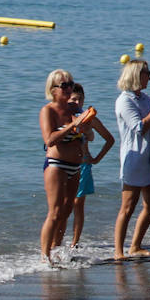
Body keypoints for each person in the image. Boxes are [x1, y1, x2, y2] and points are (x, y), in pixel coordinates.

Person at [113, 59, 150, 259]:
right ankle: (118, 251)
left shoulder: (144, 98)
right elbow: (140, 127)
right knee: (128, 207)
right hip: (134, 159)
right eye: (147, 73)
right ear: (137, 75)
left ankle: (135, 245)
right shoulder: (124, 100)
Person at [38, 69, 94, 261]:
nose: (69, 88)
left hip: (76, 165)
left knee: (67, 209)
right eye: (64, 85)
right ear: (53, 89)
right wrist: (72, 125)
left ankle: (56, 249)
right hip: (57, 164)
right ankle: (44, 257)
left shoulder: (75, 109)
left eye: (71, 84)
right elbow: (50, 139)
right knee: (54, 212)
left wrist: (85, 127)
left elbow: (91, 136)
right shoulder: (48, 110)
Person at [67, 83, 115, 248]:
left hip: (83, 165)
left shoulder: (89, 119)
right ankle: (56, 243)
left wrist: (97, 158)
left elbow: (110, 139)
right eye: (73, 99)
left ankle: (74, 243)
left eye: (80, 99)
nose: (77, 102)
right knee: (64, 205)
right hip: (65, 166)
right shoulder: (62, 117)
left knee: (78, 204)